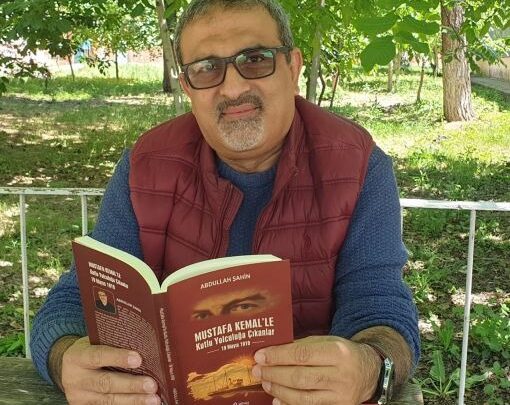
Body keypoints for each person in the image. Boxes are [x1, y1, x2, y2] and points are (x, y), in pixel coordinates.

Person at [30, 0, 420, 404]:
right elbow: (77, 300)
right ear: (187, 86)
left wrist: (372, 368)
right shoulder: (144, 166)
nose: (232, 89)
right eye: (206, 68)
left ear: (292, 67)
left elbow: (379, 304)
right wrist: (64, 359)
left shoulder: (358, 165)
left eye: (255, 59)